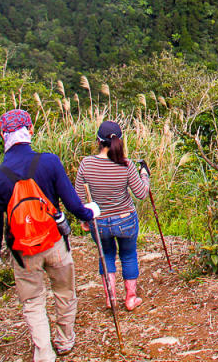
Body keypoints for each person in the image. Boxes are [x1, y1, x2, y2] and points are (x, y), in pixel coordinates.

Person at [0, 109, 100, 362]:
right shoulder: (49, 161)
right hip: (55, 241)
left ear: (3, 134)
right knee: (64, 292)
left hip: (22, 251)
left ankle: (44, 352)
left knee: (33, 302)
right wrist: (88, 213)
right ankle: (65, 340)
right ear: (31, 131)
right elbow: (72, 204)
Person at [75, 120, 150, 311]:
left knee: (106, 255)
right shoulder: (126, 165)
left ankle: (111, 298)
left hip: (99, 221)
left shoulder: (86, 164)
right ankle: (131, 298)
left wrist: (85, 219)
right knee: (128, 255)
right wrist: (145, 176)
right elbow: (141, 194)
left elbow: (78, 197)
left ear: (98, 141)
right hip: (125, 219)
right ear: (120, 141)